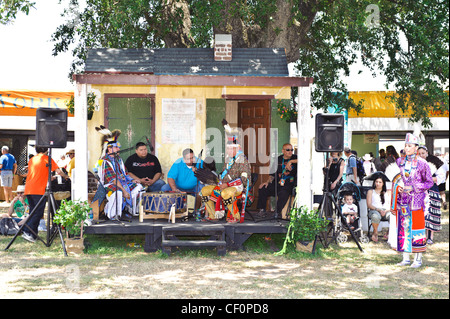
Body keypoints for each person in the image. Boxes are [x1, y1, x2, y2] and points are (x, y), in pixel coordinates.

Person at [389, 132, 434, 268]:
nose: (407, 148)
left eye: (410, 146)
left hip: (417, 201)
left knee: (417, 228)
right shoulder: (400, 162)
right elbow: (396, 179)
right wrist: (399, 187)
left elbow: (429, 182)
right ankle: (405, 258)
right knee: (404, 227)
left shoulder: (422, 163)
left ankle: (418, 259)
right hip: (403, 200)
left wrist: (415, 187)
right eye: (406, 145)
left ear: (416, 147)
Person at [21, 146, 70, 243]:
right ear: (47, 150)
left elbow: (37, 172)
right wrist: (66, 177)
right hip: (38, 190)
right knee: (38, 212)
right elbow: (59, 171)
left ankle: (32, 235)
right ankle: (27, 231)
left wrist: (49, 177)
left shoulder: (32, 159)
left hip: (29, 188)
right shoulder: (47, 159)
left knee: (33, 211)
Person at [95, 126, 143, 221]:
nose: (118, 149)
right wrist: (124, 190)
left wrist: (132, 180)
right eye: (116, 147)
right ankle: (112, 214)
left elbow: (125, 173)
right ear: (109, 149)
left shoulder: (118, 159)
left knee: (139, 187)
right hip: (110, 184)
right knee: (118, 192)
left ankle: (130, 210)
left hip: (122, 182)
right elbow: (113, 180)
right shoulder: (105, 161)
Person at [199, 139, 251, 223]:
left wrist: (227, 184)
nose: (228, 151)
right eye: (228, 149)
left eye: (231, 148)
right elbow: (223, 174)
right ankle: (213, 215)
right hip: (223, 185)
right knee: (204, 190)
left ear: (237, 149)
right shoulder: (228, 159)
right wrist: (216, 180)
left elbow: (244, 179)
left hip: (237, 187)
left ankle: (236, 216)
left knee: (225, 193)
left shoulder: (242, 160)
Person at [257, 143, 297, 217]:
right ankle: (262, 210)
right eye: (288, 150)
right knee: (263, 188)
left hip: (288, 184)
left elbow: (304, 159)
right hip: (277, 183)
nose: (290, 152)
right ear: (283, 151)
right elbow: (272, 174)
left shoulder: (295, 157)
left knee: (283, 193)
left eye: (291, 150)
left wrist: (290, 162)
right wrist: (267, 182)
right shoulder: (278, 159)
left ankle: (277, 212)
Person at [418, 146, 444, 244]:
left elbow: (440, 178)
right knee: (421, 214)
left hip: (432, 191)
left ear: (427, 153)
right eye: (419, 153)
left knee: (431, 214)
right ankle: (420, 235)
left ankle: (430, 237)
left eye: (423, 153)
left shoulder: (434, 163)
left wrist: (428, 178)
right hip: (420, 192)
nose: (421, 155)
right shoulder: (416, 164)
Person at [366, 176, 392, 242]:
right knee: (375, 216)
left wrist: (385, 210)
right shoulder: (371, 191)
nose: (378, 183)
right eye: (376, 182)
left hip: (386, 210)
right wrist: (378, 210)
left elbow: (391, 205)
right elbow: (369, 205)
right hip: (374, 210)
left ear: (383, 183)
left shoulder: (388, 192)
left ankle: (389, 233)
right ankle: (375, 233)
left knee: (393, 217)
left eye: (380, 182)